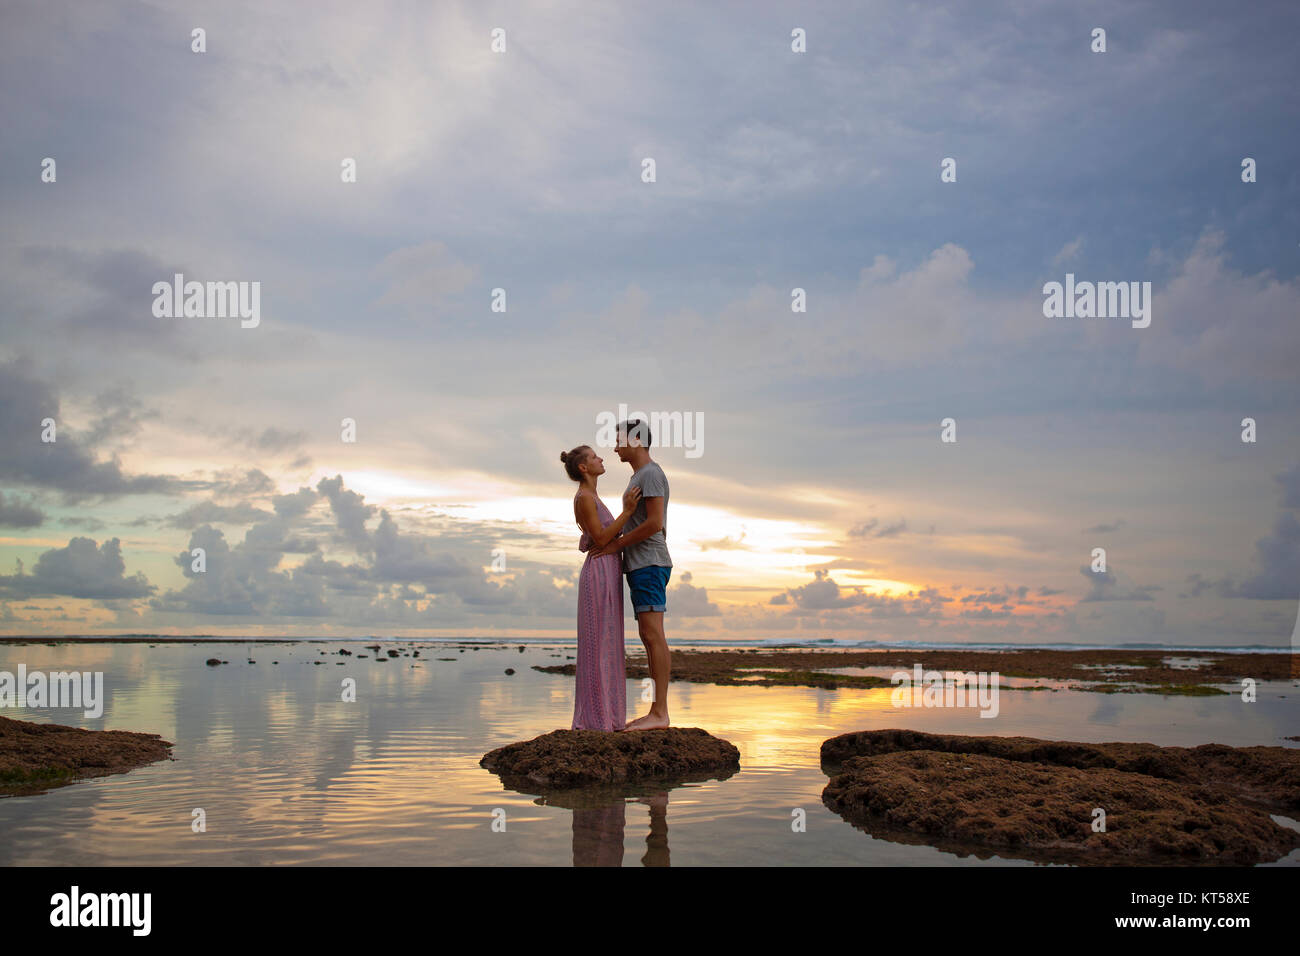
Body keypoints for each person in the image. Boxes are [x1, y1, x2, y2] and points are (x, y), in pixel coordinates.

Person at [590, 419, 671, 730]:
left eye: (619, 440)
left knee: (653, 636)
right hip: (642, 564)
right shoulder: (641, 475)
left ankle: (660, 713)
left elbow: (654, 523)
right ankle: (657, 711)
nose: (615, 447)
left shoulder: (650, 473)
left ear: (636, 440)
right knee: (649, 637)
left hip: (649, 563)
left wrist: (617, 546)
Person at [561, 444, 642, 731]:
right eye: (595, 457)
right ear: (584, 467)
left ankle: (608, 715)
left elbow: (606, 538)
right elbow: (600, 538)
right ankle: (596, 718)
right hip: (599, 572)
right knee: (598, 643)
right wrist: (628, 512)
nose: (601, 458)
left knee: (608, 641)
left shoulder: (592, 495)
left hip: (608, 569)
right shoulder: (584, 497)